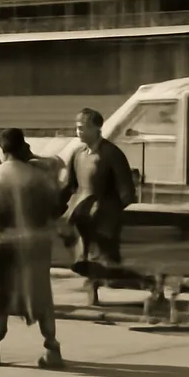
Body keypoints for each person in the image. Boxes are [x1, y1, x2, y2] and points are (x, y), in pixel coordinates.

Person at [0, 128, 64, 370]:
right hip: (36, 242)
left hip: (4, 241)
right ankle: (51, 346)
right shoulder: (39, 176)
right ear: (24, 147)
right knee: (40, 293)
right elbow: (54, 205)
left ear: (3, 150)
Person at [61, 107, 136, 306]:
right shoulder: (77, 154)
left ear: (96, 128)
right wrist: (55, 205)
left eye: (83, 127)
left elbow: (126, 191)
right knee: (84, 255)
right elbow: (69, 185)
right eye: (77, 127)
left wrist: (112, 211)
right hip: (81, 211)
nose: (78, 131)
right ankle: (92, 289)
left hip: (104, 212)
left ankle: (95, 288)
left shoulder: (111, 154)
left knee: (100, 256)